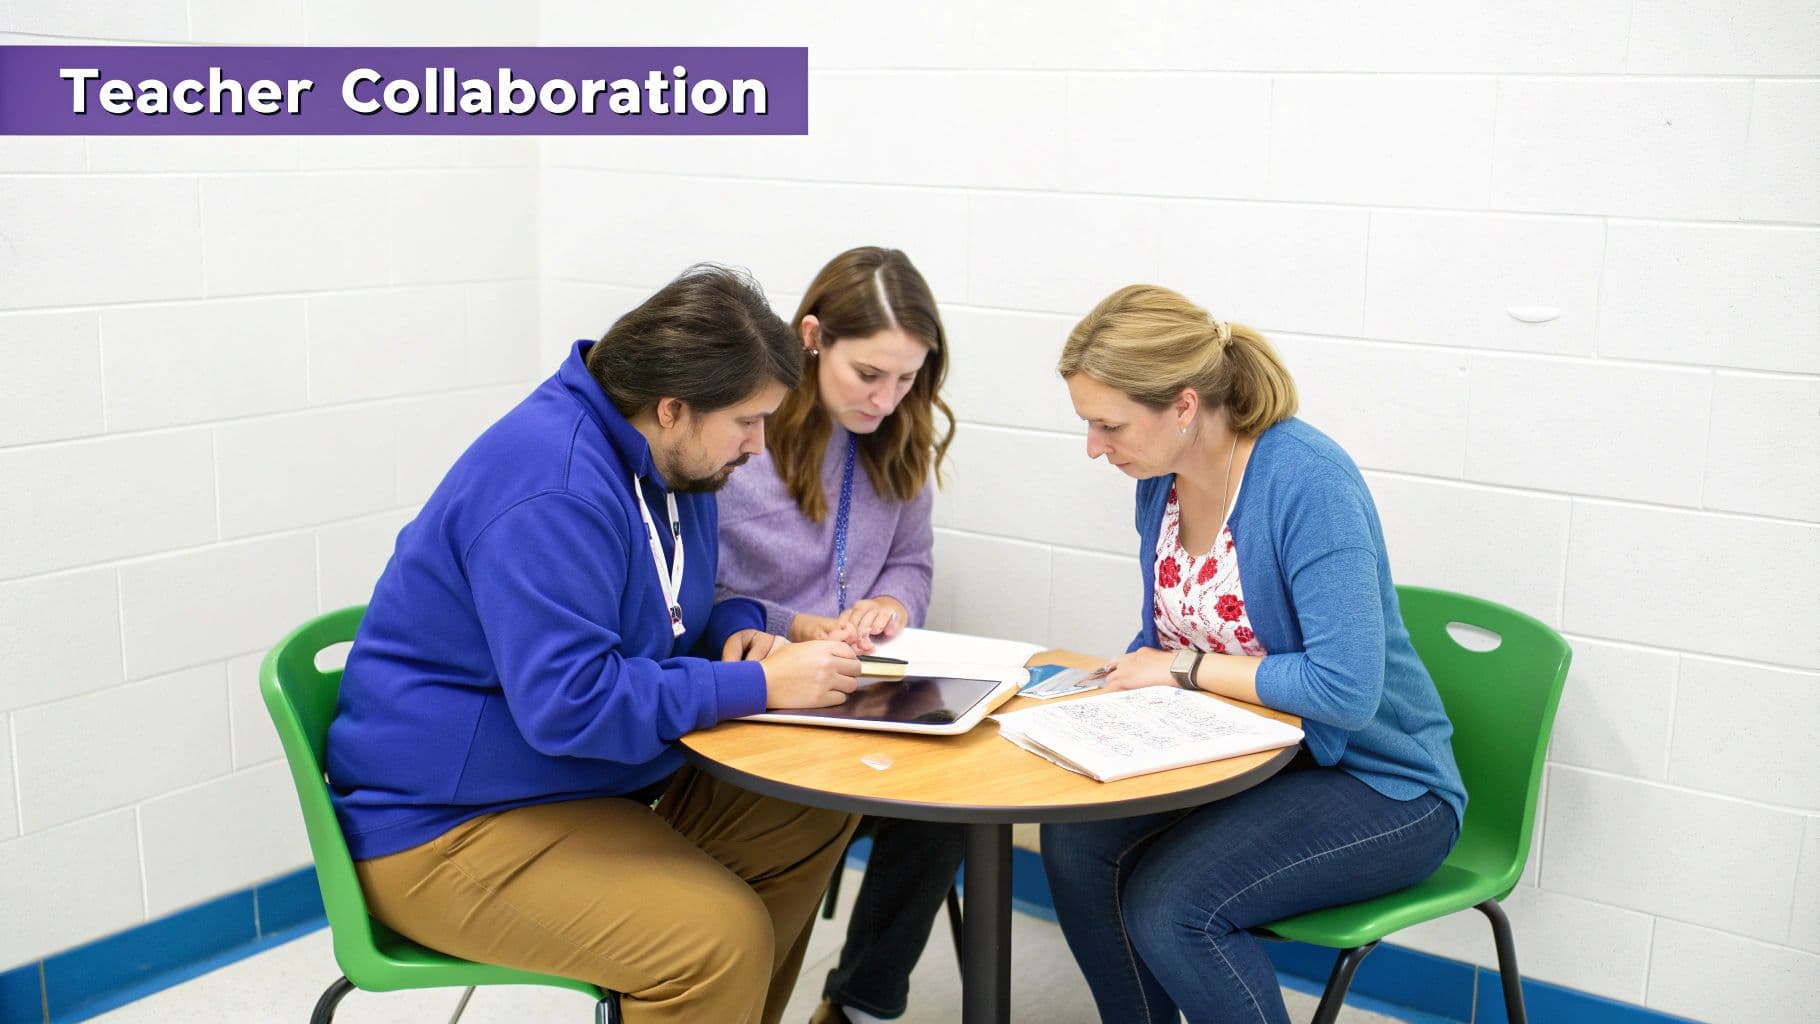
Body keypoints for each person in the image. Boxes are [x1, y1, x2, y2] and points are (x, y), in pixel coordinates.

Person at [325, 265, 866, 1024]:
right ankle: (696, 982)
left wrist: (738, 629)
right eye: (747, 421)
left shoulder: (674, 465)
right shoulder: (553, 486)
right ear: (673, 408)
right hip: (443, 827)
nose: (759, 443)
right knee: (715, 941)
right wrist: (762, 687)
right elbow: (570, 704)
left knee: (808, 811)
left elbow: (655, 610)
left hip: (568, 787)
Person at [1040, 284, 1467, 1024]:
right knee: (1074, 843)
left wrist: (1178, 669)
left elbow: (1345, 692)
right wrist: (1108, 694)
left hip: (1382, 783)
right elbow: (1168, 635)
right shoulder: (1159, 482)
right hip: (1259, 758)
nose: (1093, 449)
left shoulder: (1307, 481)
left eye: (1109, 426)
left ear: (1182, 406)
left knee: (1173, 908)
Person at [713, 247, 957, 1024]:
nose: (887, 399)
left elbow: (913, 563)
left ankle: (859, 1006)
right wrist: (794, 626)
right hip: (757, 697)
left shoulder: (899, 437)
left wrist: (891, 604)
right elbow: (693, 595)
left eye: (908, 378)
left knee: (945, 802)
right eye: (868, 374)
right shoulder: (736, 439)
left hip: (857, 690)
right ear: (813, 337)